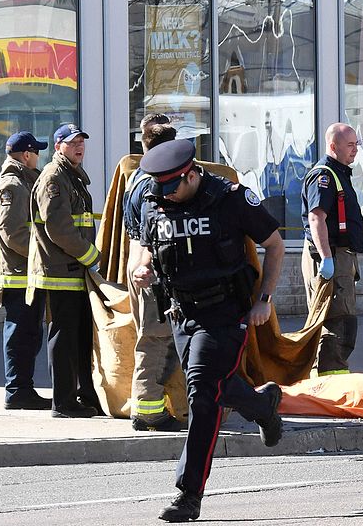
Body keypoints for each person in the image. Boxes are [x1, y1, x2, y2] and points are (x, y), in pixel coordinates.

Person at [133, 138, 285, 522]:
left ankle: (189, 494)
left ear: (191, 173)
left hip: (225, 312)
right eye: (160, 188)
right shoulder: (154, 199)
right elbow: (144, 248)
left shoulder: (230, 197)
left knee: (202, 394)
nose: (166, 195)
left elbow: (274, 243)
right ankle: (262, 406)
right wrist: (141, 268)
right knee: (214, 386)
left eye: (173, 187)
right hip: (181, 313)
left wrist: (264, 299)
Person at [27, 123, 103, 419]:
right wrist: (91, 255)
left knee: (80, 337)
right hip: (61, 272)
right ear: (58, 146)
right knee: (64, 337)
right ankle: (64, 402)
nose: (79, 147)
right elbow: (59, 230)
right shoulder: (54, 179)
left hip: (75, 270)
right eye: (72, 143)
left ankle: (84, 394)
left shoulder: (72, 176)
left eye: (82, 142)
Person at [122, 113, 180, 431]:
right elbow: (154, 230)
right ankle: (149, 410)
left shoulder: (135, 177)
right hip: (151, 267)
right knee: (155, 338)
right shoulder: (153, 184)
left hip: (138, 263)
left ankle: (146, 405)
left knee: (152, 336)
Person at [0, 131, 51, 410]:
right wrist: (42, 254)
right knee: (21, 334)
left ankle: (22, 388)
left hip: (25, 272)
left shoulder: (23, 182)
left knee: (28, 334)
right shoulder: (13, 186)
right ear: (26, 155)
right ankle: (17, 391)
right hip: (18, 275)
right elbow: (13, 232)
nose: (38, 156)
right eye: (36, 152)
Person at [300, 122, 363, 376]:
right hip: (331, 255)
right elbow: (317, 218)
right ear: (332, 146)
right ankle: (330, 379)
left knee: (341, 317)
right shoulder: (324, 176)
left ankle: (331, 374)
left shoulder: (338, 173)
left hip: (341, 255)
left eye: (356, 145)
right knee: (336, 318)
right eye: (350, 145)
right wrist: (327, 258)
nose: (355, 150)